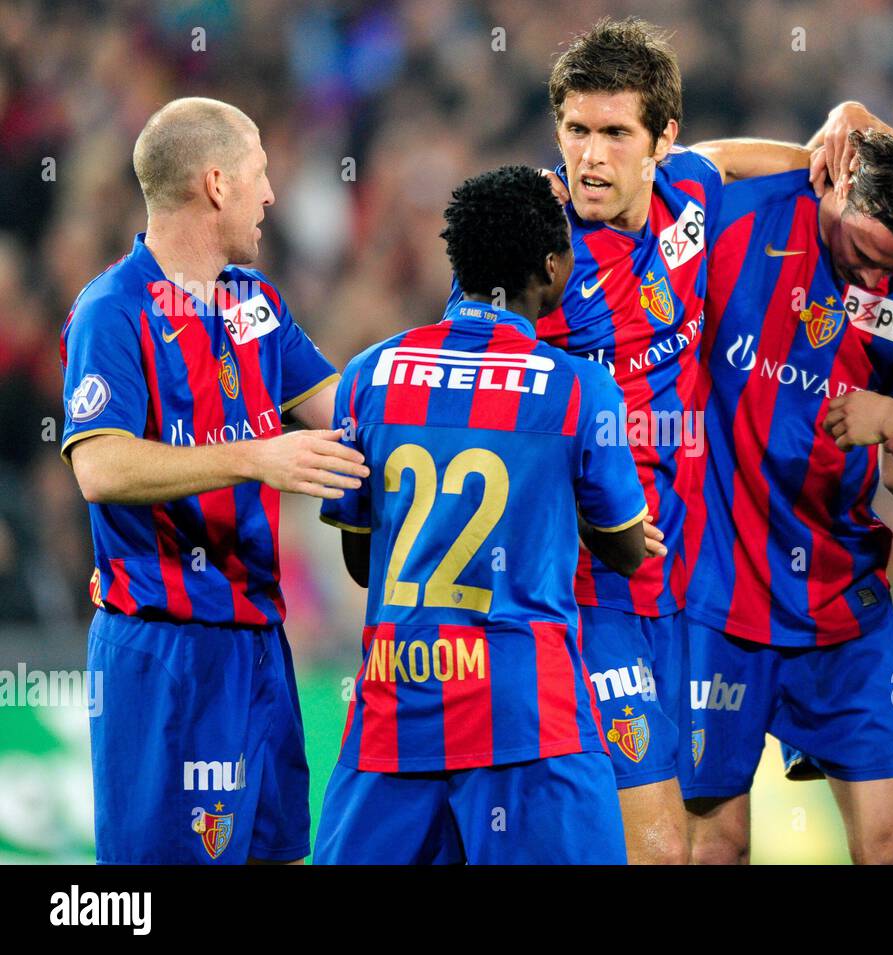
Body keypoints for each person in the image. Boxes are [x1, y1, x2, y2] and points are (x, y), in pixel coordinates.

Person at [448, 17, 809, 863]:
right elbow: (460, 388)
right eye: (576, 130)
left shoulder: (688, 188)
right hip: (583, 585)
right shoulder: (537, 252)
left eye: (616, 134)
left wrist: (824, 145)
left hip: (683, 582)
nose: (592, 157)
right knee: (651, 849)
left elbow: (726, 160)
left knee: (704, 835)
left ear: (661, 141)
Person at [313, 165, 658, 865]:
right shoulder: (578, 388)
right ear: (555, 266)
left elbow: (361, 559)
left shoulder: (368, 375)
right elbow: (628, 551)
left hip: (396, 707)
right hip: (528, 715)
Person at [60, 97, 362, 864]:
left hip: (259, 643)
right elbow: (99, 465)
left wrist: (465, 365)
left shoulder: (253, 303)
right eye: (260, 174)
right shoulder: (112, 311)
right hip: (163, 653)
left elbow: (348, 406)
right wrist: (255, 455)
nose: (271, 195)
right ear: (218, 183)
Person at [683, 125, 893, 865]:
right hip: (721, 591)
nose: (868, 283)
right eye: (861, 254)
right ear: (834, 185)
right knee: (716, 843)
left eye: (889, 269)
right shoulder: (738, 219)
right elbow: (669, 167)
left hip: (842, 592)